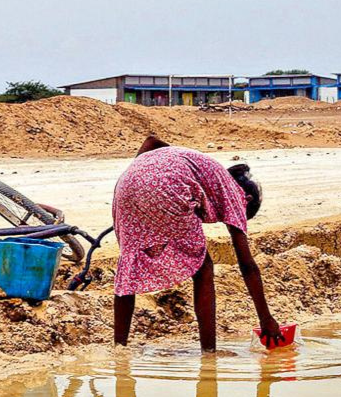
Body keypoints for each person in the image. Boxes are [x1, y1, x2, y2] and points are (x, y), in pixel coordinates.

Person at [111, 135, 284, 351]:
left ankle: (119, 348)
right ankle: (209, 353)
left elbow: (150, 141)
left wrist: (143, 182)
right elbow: (246, 264)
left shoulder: (209, 172)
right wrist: (266, 319)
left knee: (130, 261)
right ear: (247, 200)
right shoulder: (235, 194)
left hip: (127, 183)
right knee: (203, 269)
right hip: (166, 186)